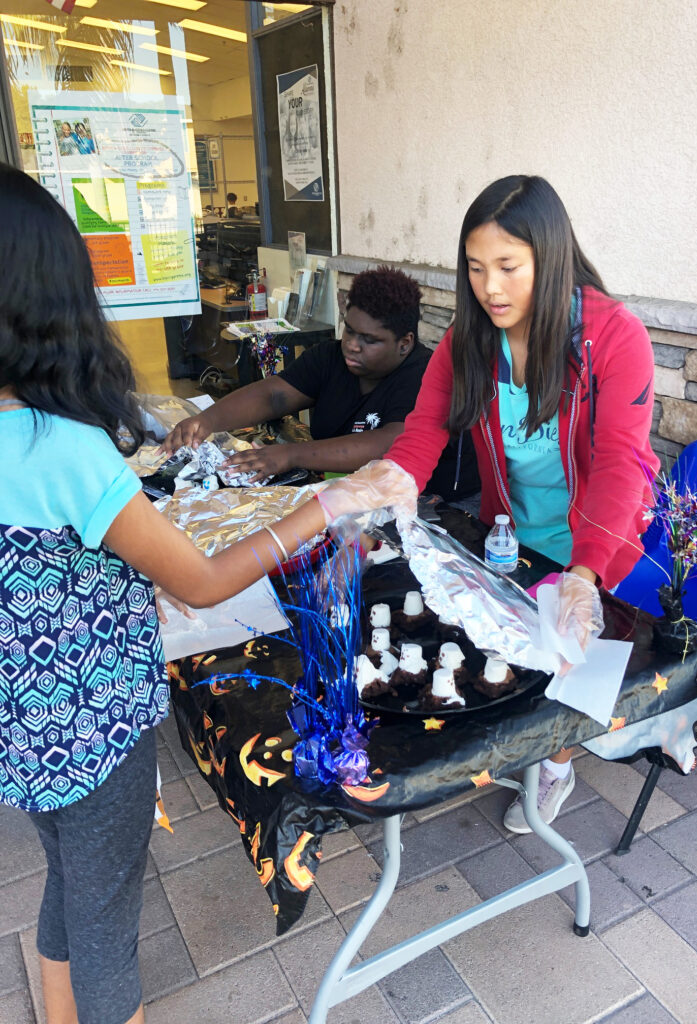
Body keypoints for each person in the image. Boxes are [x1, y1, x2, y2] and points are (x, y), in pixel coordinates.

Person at [0, 163, 412, 1024]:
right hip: (94, 736)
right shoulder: (61, 450)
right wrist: (330, 503)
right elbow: (206, 577)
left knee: (70, 889)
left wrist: (105, 592)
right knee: (109, 919)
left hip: (24, 733)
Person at [324, 175, 660, 831]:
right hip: (515, 528)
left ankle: (556, 765)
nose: (491, 288)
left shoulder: (613, 338)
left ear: (550, 256)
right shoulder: (472, 337)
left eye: (508, 267)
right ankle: (533, 742)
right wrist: (397, 477)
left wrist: (588, 573)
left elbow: (621, 460)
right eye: (476, 269)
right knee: (510, 646)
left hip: (597, 531)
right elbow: (425, 427)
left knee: (571, 669)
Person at [162, 266, 480, 501]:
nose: (352, 345)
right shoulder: (329, 359)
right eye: (350, 330)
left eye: (370, 340)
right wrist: (207, 420)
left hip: (437, 502)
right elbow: (273, 395)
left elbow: (389, 443)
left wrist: (290, 455)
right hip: (359, 494)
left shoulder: (425, 374)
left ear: (404, 343)